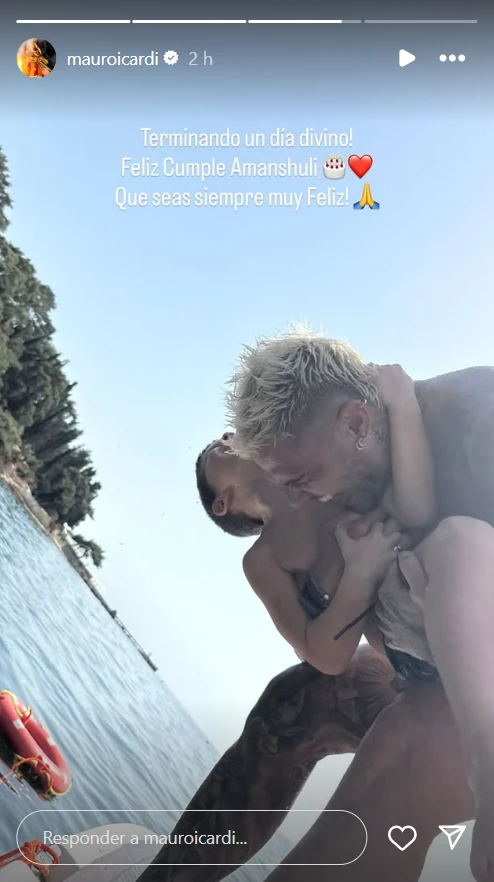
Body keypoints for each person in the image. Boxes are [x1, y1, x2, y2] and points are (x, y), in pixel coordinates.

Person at [227, 328, 494, 882]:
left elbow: (441, 534)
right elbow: (330, 652)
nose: (303, 497)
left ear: (355, 422)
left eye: (303, 479)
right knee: (292, 701)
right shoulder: (340, 498)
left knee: (403, 750)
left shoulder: (474, 420)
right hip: (424, 670)